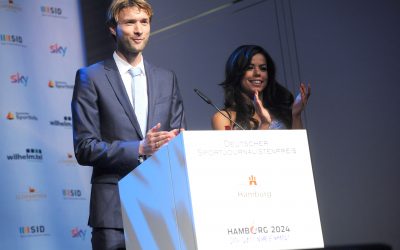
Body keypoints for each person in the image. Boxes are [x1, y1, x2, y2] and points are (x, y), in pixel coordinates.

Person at [71, 0, 186, 249]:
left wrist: (180, 145)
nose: (139, 29)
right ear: (113, 28)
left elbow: (178, 138)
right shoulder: (90, 77)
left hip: (161, 207)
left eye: (144, 22)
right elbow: (85, 147)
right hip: (113, 211)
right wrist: (140, 148)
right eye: (130, 22)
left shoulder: (167, 78)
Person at [212, 45, 310, 130]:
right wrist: (265, 124)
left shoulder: (282, 114)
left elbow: (299, 149)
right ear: (236, 73)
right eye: (250, 67)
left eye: (263, 68)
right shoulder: (224, 118)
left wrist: (296, 115)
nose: (258, 73)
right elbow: (233, 152)